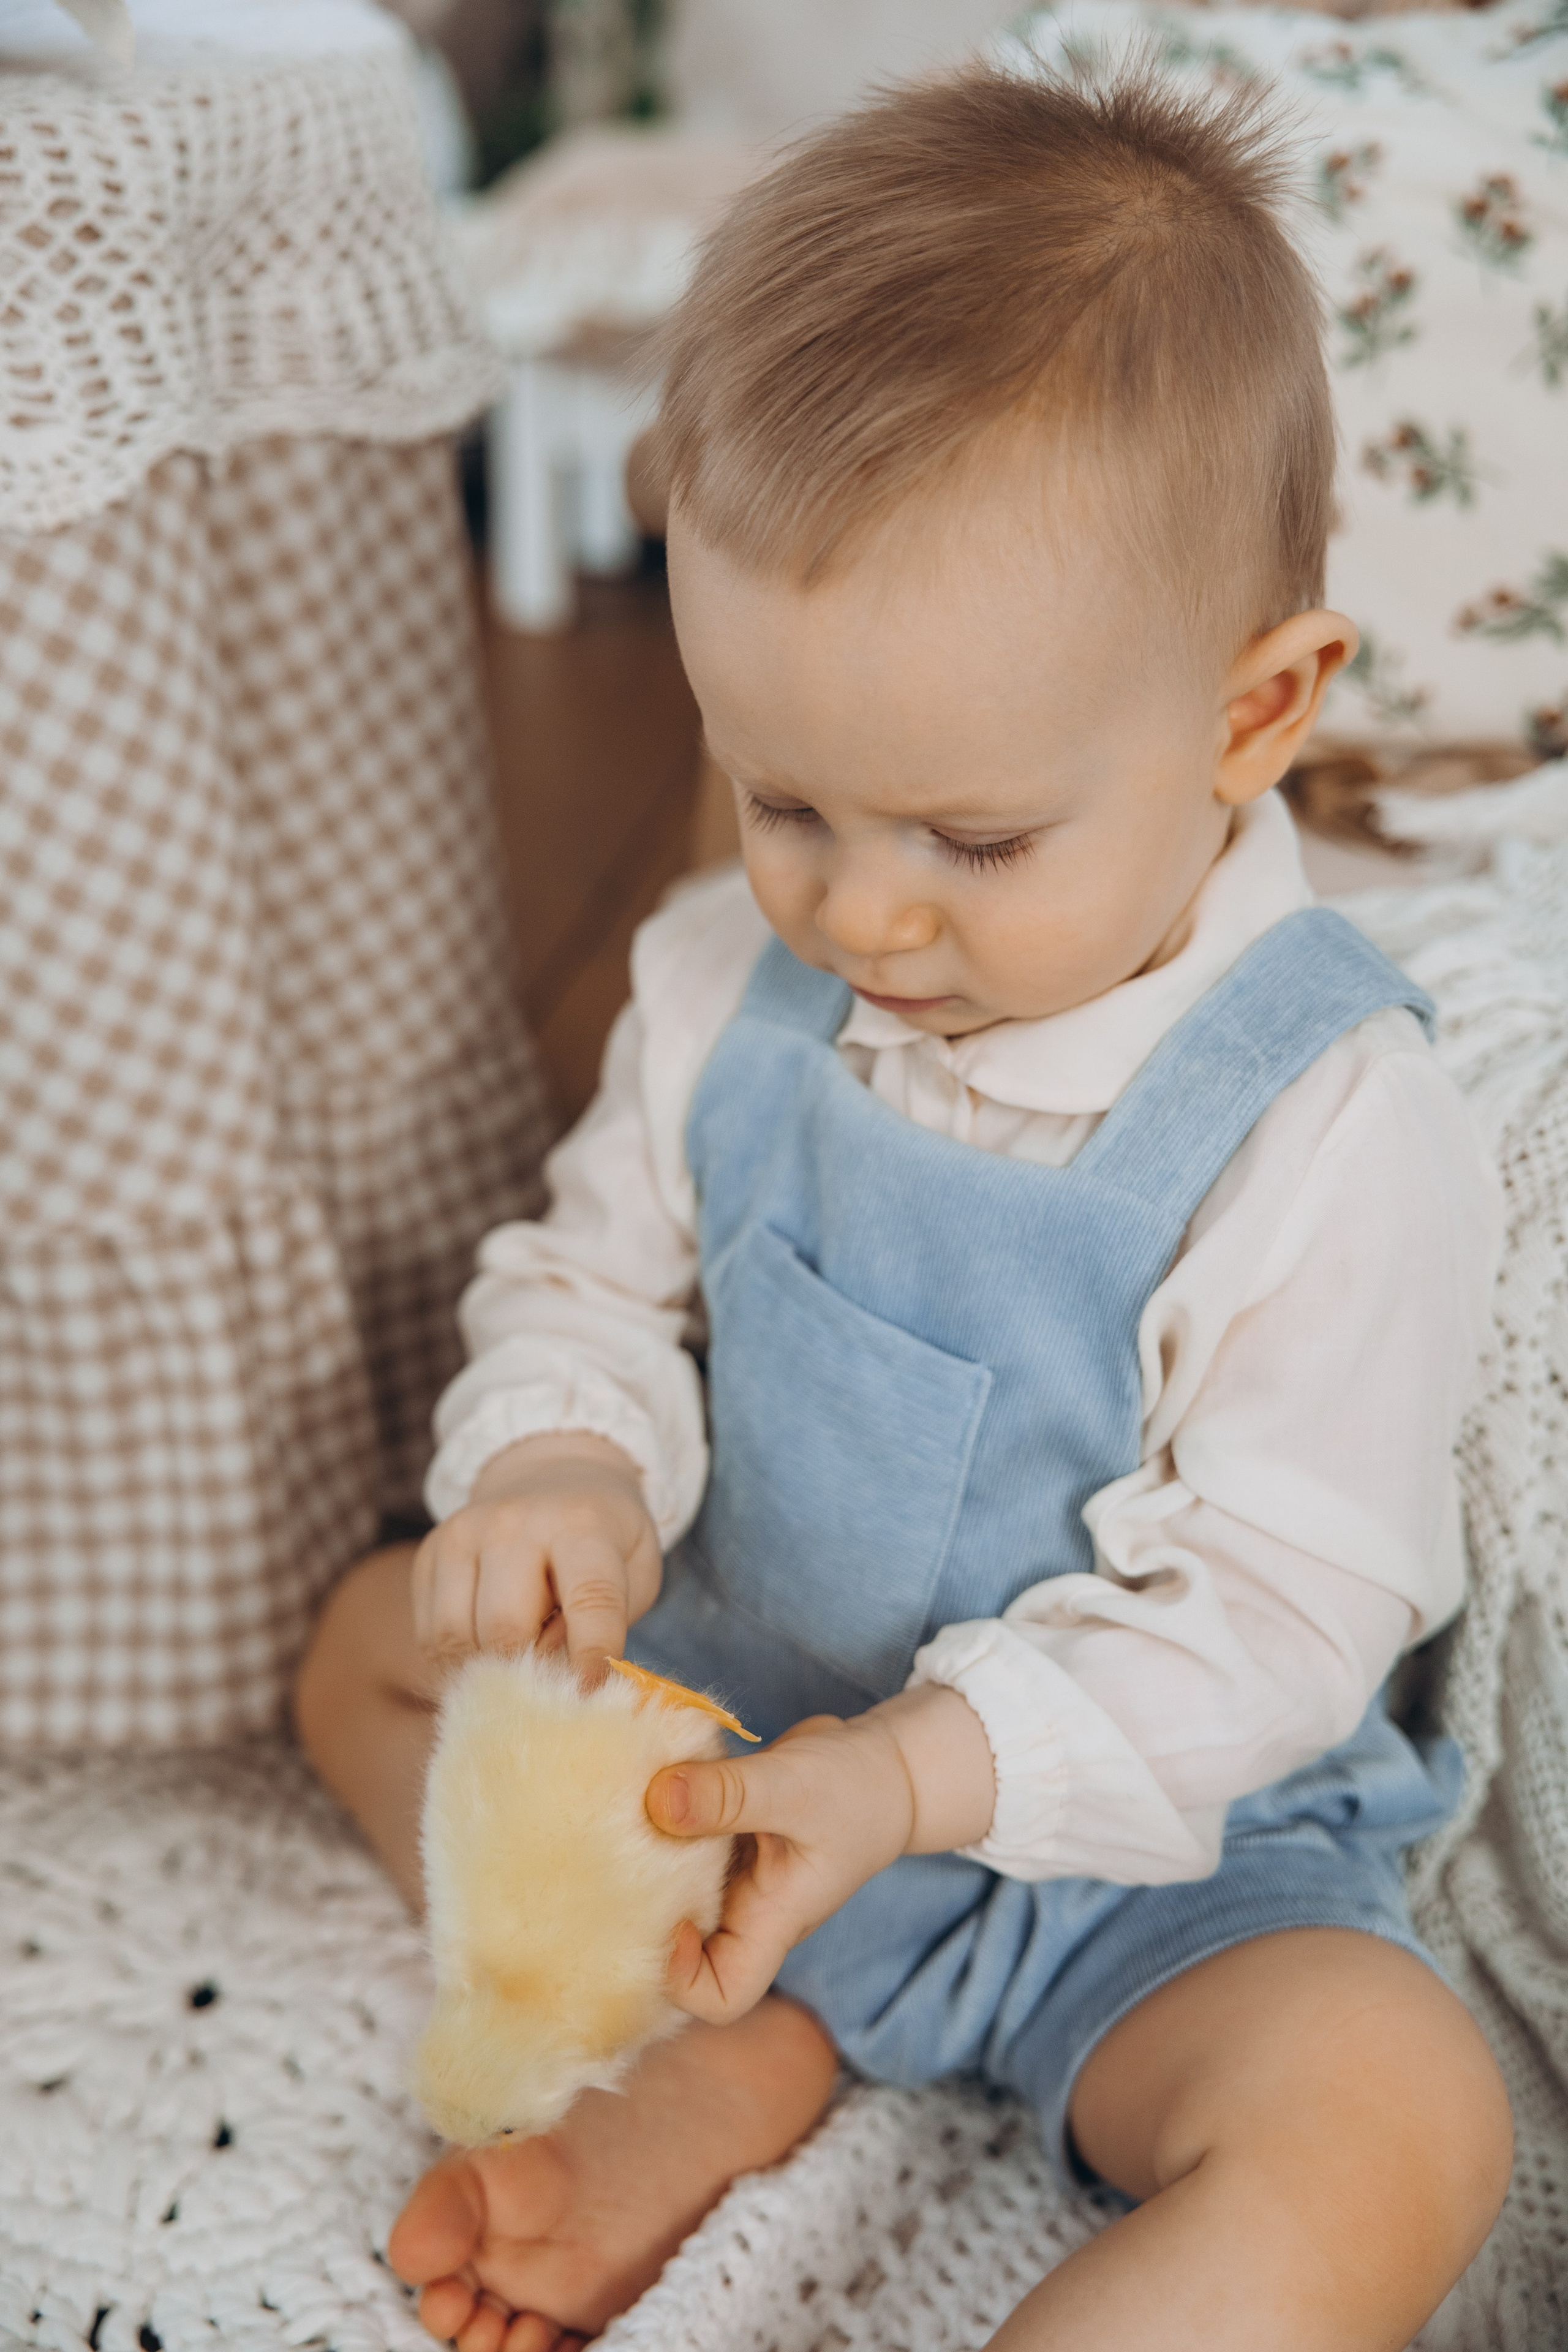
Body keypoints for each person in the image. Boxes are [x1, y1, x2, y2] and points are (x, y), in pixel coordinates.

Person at [295, 57, 1513, 2352]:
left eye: (974, 839)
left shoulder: (1332, 1121)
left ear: (1254, 713)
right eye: (784, 802)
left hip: (1141, 1861)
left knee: (1402, 2115)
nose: (861, 915)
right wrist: (560, 1459)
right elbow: (589, 1277)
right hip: (740, 1767)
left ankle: (774, 2059)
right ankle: (734, 2041)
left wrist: (927, 1777)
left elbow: (1277, 1615)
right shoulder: (722, 983)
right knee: (372, 1636)